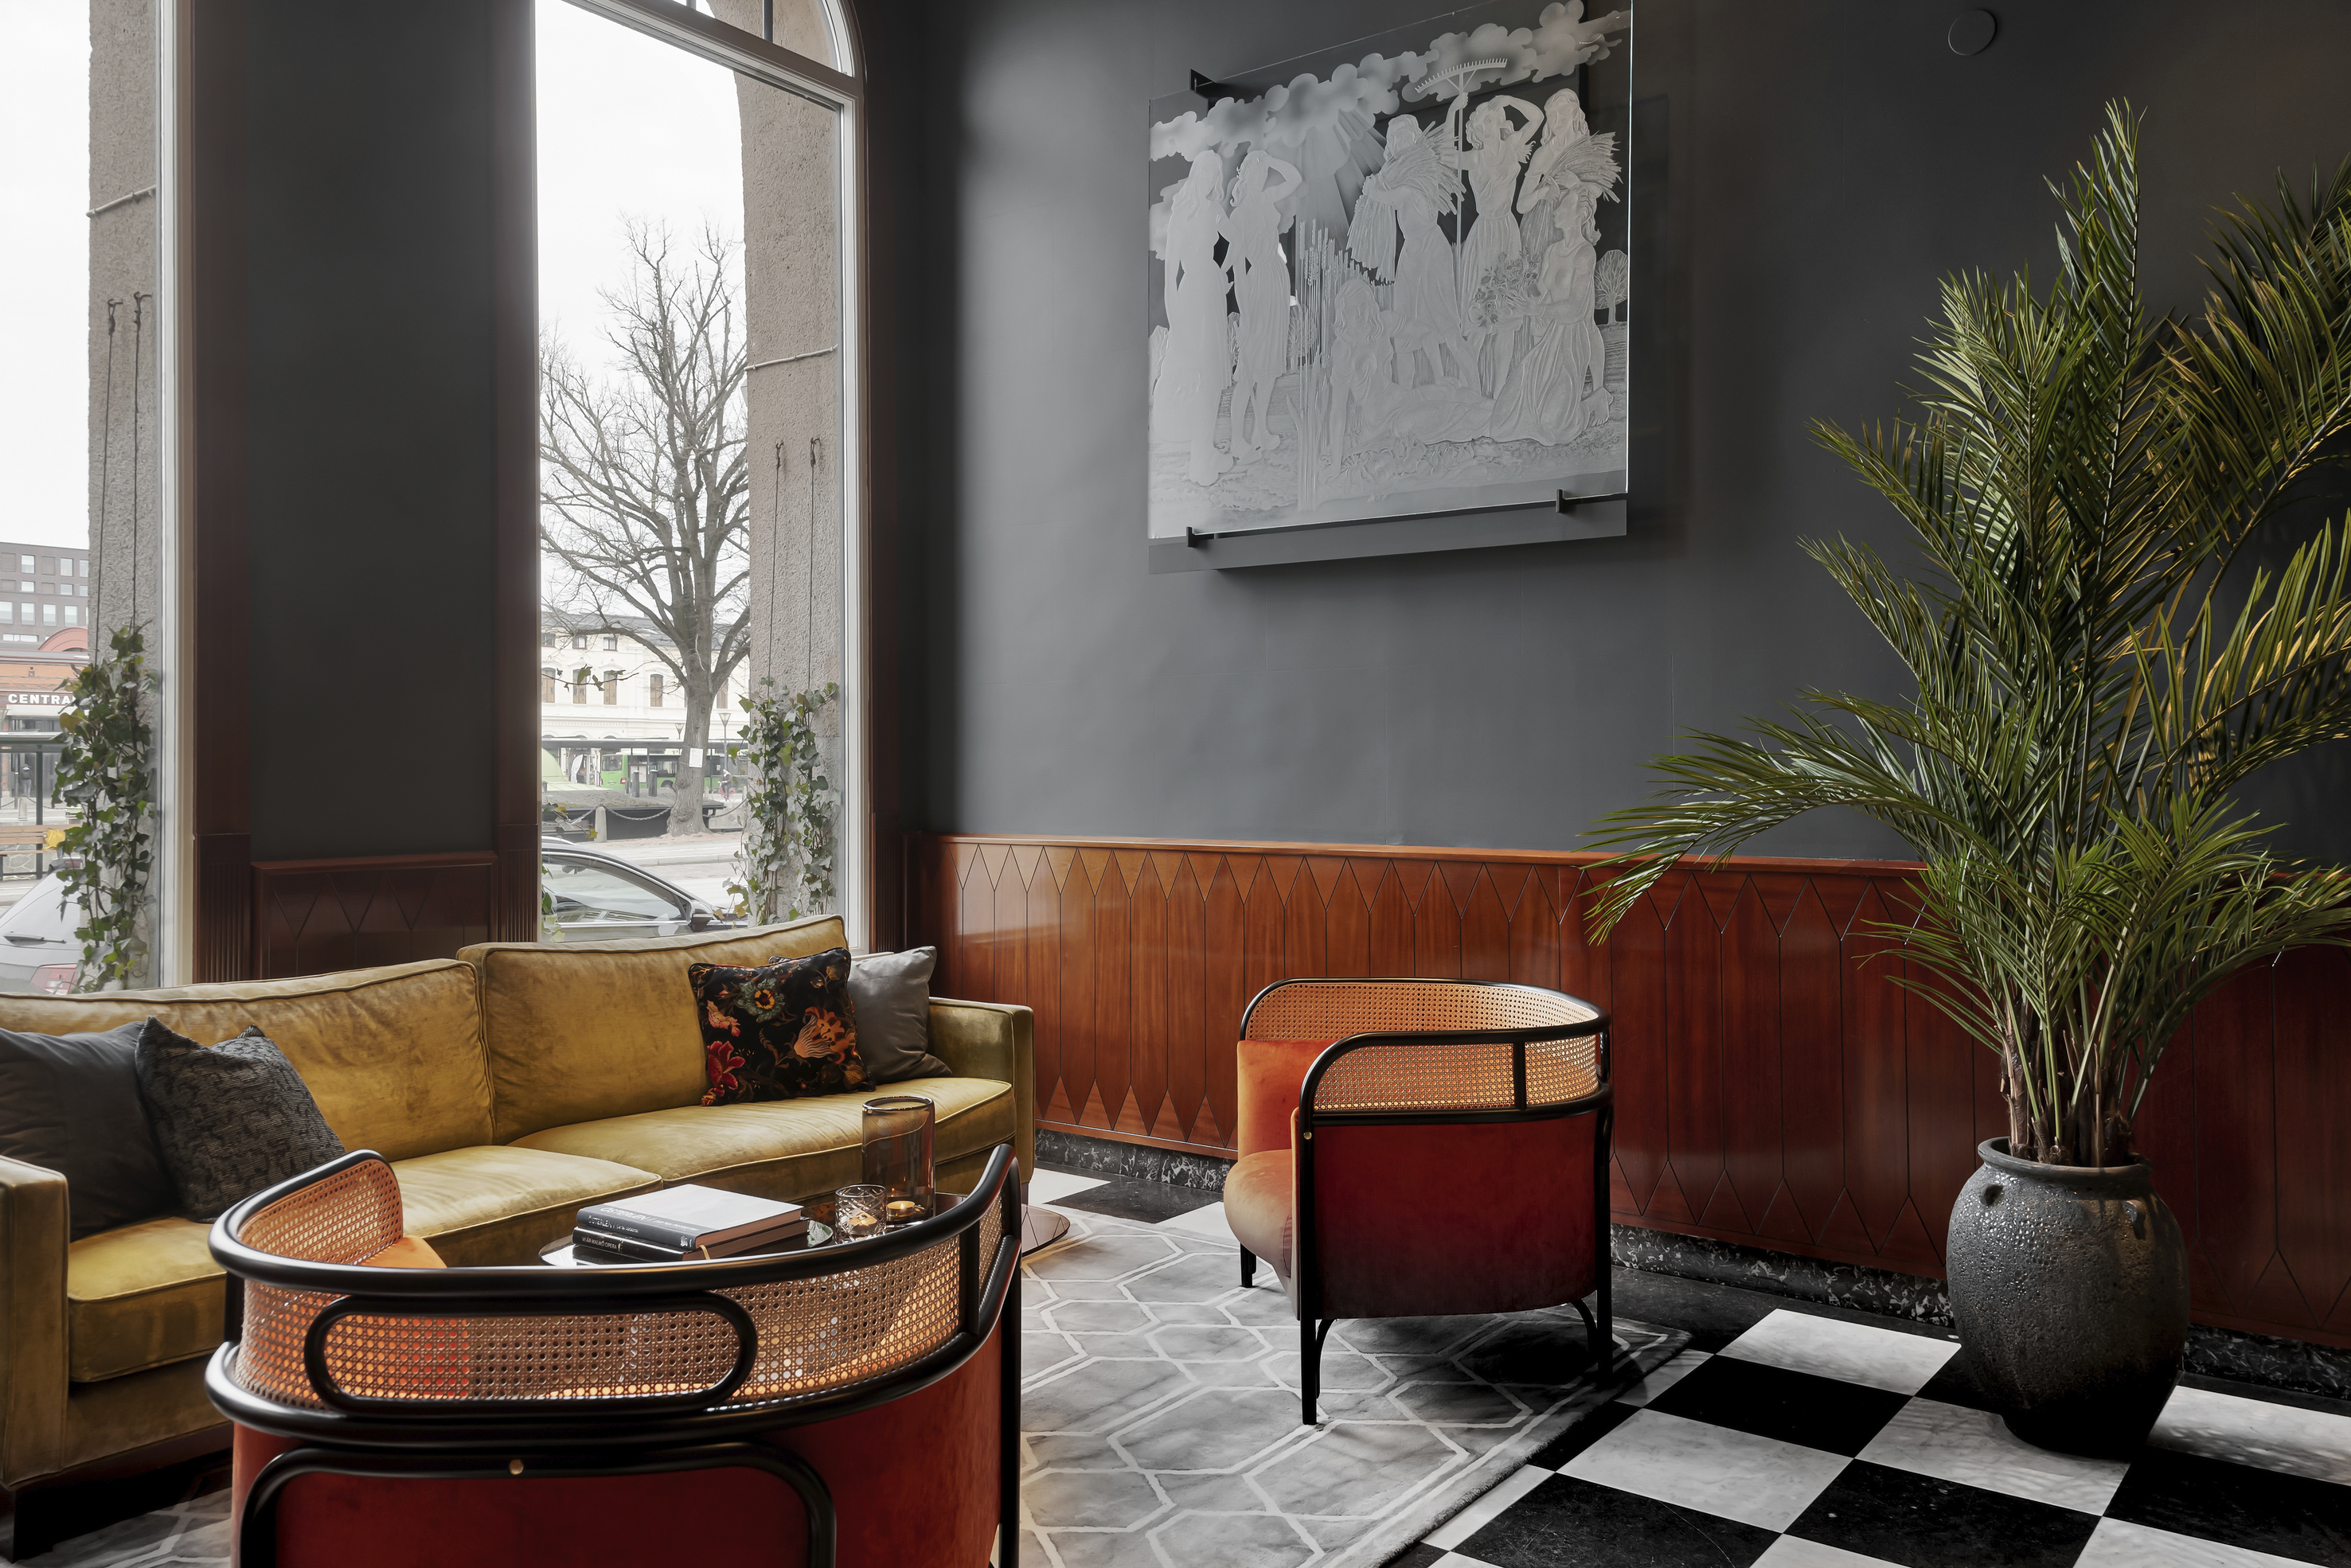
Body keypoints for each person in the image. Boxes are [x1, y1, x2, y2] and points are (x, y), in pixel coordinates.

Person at [1347, 115, 1470, 392]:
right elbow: (1383, 196)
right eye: (1396, 138)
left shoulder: (1420, 172)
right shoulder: (1397, 173)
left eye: (1406, 136)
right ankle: (1405, 390)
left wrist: (1374, 191)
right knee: (1406, 322)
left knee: (1440, 317)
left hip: (1431, 248)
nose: (1402, 142)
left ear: (1415, 140)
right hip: (1411, 252)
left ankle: (1450, 380)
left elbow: (1394, 197)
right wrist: (1370, 195)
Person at [1154, 150, 1235, 487]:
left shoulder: (1215, 210)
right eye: (1207, 173)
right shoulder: (1181, 215)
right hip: (1191, 297)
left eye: (1216, 176)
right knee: (1200, 373)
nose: (1211, 181)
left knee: (1214, 374)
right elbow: (1171, 272)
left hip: (1211, 293)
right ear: (1197, 173)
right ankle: (1198, 461)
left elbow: (1238, 239)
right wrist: (1175, 320)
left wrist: (1223, 273)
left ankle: (1205, 453)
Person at [1457, 95, 1545, 396]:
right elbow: (1444, 154)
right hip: (1485, 236)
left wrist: (1507, 98)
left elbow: (1537, 117)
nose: (1495, 123)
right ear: (1480, 130)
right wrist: (1452, 113)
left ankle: (1497, 396)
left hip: (1508, 233)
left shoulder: (1510, 146)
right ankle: (1472, 392)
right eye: (1489, 121)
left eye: (1496, 118)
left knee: (1506, 318)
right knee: (1479, 318)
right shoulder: (1474, 158)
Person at [1221, 150, 1302, 462]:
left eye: (1261, 172)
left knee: (1268, 368)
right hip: (1256, 287)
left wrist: (1270, 160)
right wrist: (1246, 314)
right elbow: (1238, 270)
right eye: (1253, 172)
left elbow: (1294, 178)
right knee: (1248, 371)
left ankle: (1260, 432)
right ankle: (1237, 439)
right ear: (1245, 175)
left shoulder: (1269, 199)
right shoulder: (1239, 216)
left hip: (1276, 281)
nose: (1259, 177)